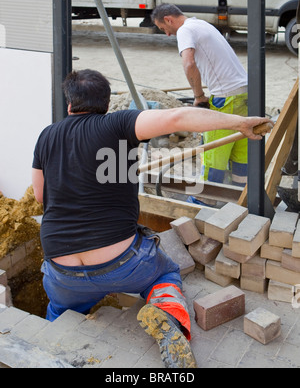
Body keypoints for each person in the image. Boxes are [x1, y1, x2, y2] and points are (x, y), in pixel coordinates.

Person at [32, 69, 270, 368]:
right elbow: (176, 118)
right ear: (107, 103)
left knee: (59, 309)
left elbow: (40, 197)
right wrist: (240, 123)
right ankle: (168, 315)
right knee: (165, 273)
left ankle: (47, 345)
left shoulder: (47, 136)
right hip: (123, 264)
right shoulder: (117, 123)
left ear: (70, 104)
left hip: (62, 271)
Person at [151, 4, 249, 188]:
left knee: (214, 152)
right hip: (245, 94)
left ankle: (207, 200)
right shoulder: (201, 24)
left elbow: (188, 64)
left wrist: (199, 96)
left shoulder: (185, 30)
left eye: (164, 29)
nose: (167, 34)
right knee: (240, 149)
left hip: (226, 97)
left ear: (168, 19)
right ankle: (239, 195)